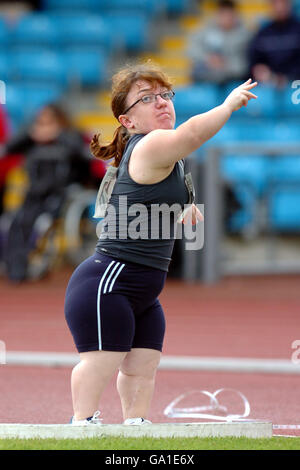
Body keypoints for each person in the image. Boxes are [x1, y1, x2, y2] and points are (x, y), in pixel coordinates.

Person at [64, 61, 257, 425]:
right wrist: (226, 105)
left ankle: (136, 427)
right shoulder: (151, 144)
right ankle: (82, 424)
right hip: (109, 284)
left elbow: (165, 183)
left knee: (142, 367)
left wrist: (183, 209)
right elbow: (191, 135)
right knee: (101, 360)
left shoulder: (166, 152)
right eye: (147, 98)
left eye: (165, 95)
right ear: (128, 121)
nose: (161, 102)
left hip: (143, 290)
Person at [0, 103, 91, 281]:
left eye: (49, 121)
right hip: (33, 195)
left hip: (59, 196)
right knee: (16, 222)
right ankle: (16, 267)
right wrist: (31, 134)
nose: (44, 125)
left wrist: (57, 134)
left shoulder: (70, 137)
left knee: (39, 223)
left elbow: (80, 153)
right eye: (41, 121)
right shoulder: (31, 142)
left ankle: (28, 265)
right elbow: (9, 147)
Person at [186, 0, 251, 84]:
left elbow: (244, 64)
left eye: (229, 15)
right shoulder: (205, 30)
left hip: (234, 79)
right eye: (223, 14)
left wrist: (225, 64)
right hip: (207, 78)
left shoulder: (245, 35)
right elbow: (192, 50)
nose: (226, 18)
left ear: (235, 15)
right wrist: (209, 59)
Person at [248, 0, 300, 87]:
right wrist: (259, 70)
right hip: (269, 84)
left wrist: (287, 77)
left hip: (295, 83)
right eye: (276, 3)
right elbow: (255, 60)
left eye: (283, 3)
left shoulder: (298, 30)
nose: (279, 7)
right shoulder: (263, 33)